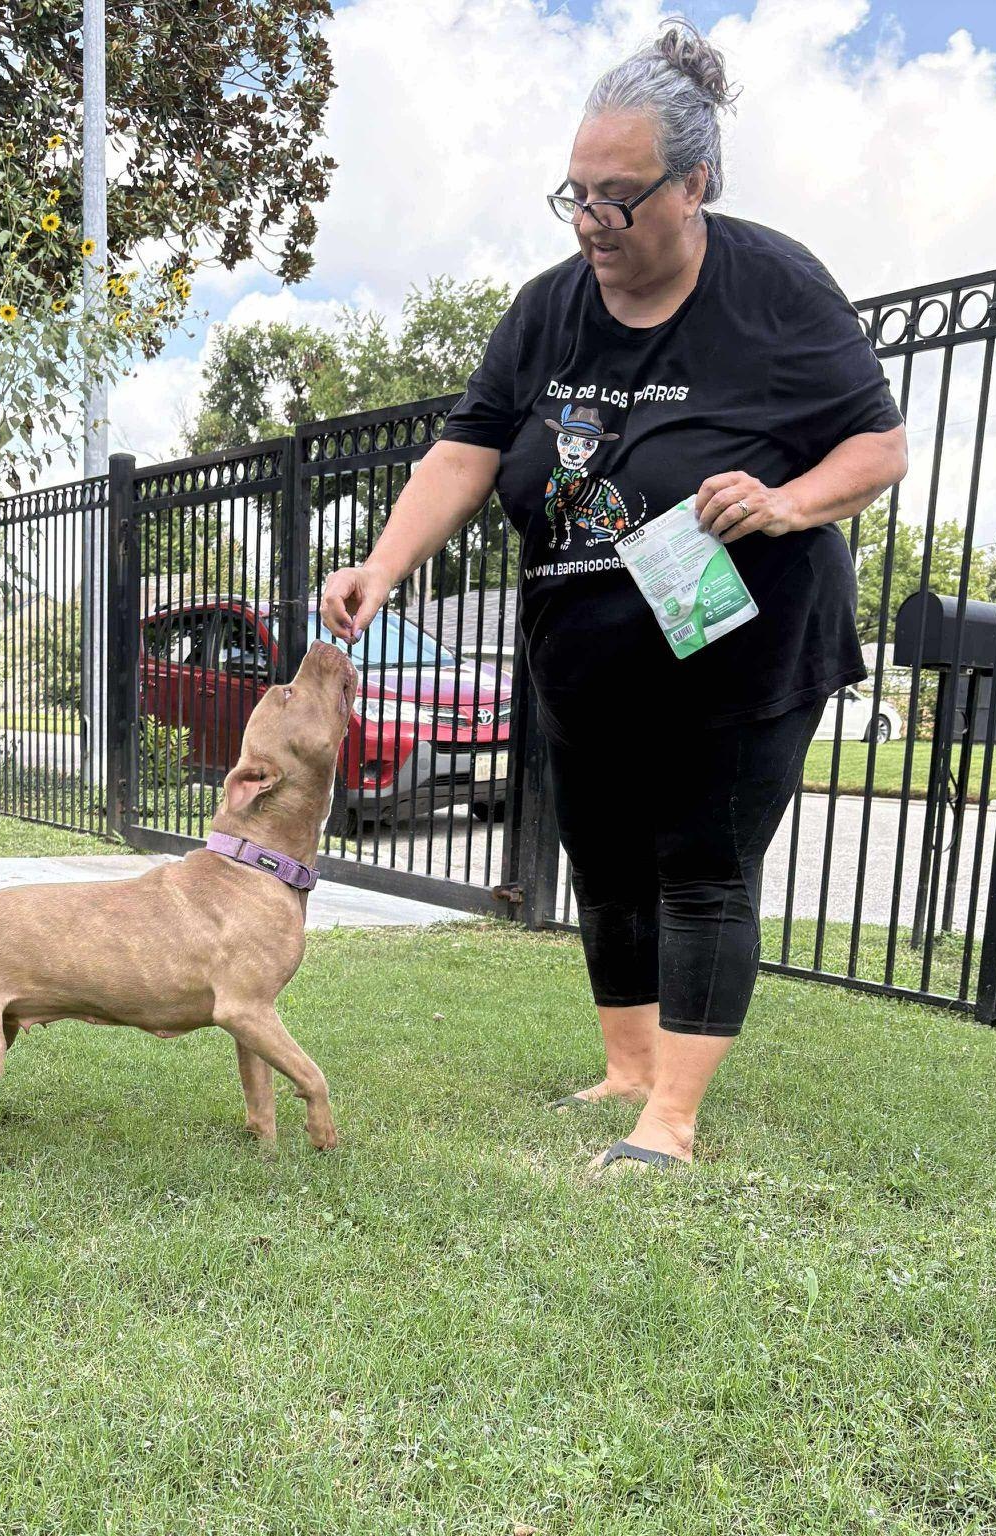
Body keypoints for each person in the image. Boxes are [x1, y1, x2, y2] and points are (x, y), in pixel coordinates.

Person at [319, 21, 907, 1175]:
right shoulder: (549, 307)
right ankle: (627, 1069)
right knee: (603, 860)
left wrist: (786, 503)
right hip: (585, 652)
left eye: (618, 198)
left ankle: (671, 1120)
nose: (591, 221)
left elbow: (878, 450)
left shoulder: (776, 288)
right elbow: (467, 451)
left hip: (743, 649)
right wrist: (383, 565)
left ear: (696, 185)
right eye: (575, 193)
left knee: (701, 862)